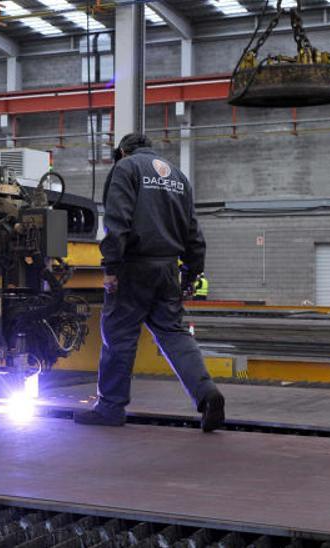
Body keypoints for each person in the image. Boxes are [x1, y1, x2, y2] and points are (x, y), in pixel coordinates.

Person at [75, 133, 224, 432]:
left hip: (134, 267)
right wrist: (194, 271)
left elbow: (117, 220)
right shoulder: (178, 177)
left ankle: (111, 407)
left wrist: (112, 266)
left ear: (123, 151)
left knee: (119, 335)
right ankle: (206, 393)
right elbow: (193, 230)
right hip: (168, 268)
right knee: (174, 334)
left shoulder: (126, 168)